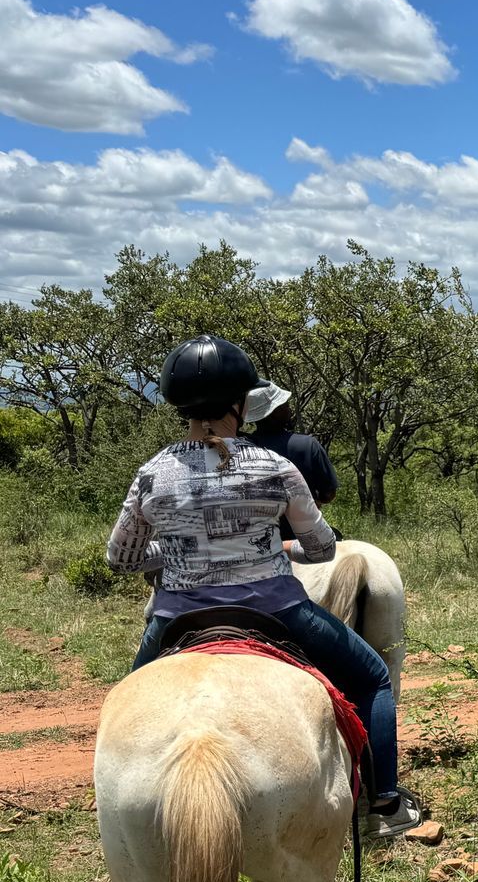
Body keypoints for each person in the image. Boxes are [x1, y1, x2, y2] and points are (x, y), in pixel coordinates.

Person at [106, 334, 423, 837]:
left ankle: (114, 807)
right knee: (371, 678)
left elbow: (120, 558)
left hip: (176, 616)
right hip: (276, 610)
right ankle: (385, 802)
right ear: (242, 403)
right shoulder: (277, 466)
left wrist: (175, 553)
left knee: (124, 711)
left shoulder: (152, 473)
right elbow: (322, 550)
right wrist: (279, 550)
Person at [244, 381, 338, 540]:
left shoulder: (243, 447)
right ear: (275, 412)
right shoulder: (308, 445)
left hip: (257, 539)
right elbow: (329, 493)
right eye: (284, 406)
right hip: (302, 538)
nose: (289, 409)